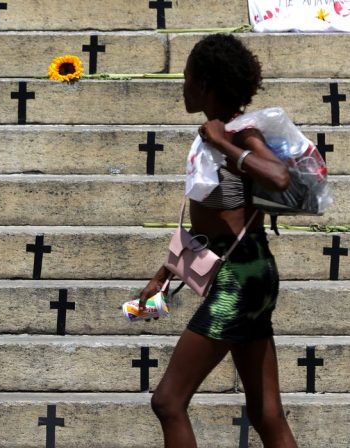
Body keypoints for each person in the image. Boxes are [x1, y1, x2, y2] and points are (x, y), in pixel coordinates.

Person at [139, 34, 298, 447]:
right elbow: (214, 224)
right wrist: (164, 273)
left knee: (168, 401)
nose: (183, 86)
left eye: (188, 77)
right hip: (248, 270)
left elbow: (279, 177)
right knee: (266, 413)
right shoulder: (213, 134)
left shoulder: (240, 132)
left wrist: (223, 142)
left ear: (207, 83)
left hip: (240, 278)